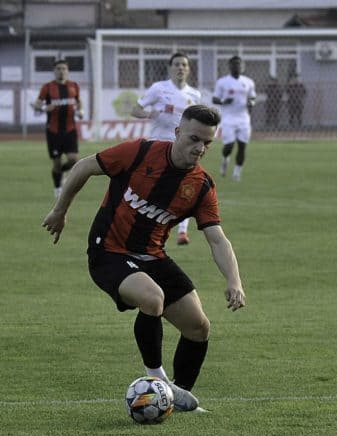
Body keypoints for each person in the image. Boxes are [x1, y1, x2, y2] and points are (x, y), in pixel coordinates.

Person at [42, 105, 246, 413]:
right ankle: (158, 380)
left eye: (207, 143)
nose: (200, 148)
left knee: (198, 327)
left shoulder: (200, 186)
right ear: (177, 133)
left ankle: (177, 399)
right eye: (194, 139)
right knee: (153, 298)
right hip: (107, 252)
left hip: (152, 256)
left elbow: (217, 238)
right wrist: (60, 210)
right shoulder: (139, 152)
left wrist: (234, 281)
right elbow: (84, 166)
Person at [131, 52, 202, 246]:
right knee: (153, 189)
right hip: (157, 146)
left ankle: (182, 232)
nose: (180, 68)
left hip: (182, 148)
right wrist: (148, 113)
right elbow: (135, 110)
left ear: (188, 70)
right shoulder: (159, 89)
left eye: (184, 65)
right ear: (170, 68)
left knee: (185, 187)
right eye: (177, 64)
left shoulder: (194, 95)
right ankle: (143, 227)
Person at [32, 59, 84, 198]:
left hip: (70, 129)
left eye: (64, 68)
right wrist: (44, 108)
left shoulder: (74, 86)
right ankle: (57, 188)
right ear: (54, 71)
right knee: (56, 162)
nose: (61, 71)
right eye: (59, 68)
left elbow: (79, 102)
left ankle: (61, 174)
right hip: (53, 131)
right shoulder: (48, 87)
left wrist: (80, 111)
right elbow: (36, 104)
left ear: (68, 71)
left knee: (74, 159)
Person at [212, 56, 257, 182]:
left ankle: (237, 172)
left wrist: (251, 103)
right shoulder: (222, 82)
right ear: (230, 66)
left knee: (242, 146)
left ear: (243, 66)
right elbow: (214, 98)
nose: (237, 67)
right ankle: (225, 159)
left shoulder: (248, 82)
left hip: (243, 118)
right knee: (229, 146)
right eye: (235, 64)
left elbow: (252, 97)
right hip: (228, 118)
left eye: (240, 64)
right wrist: (223, 101)